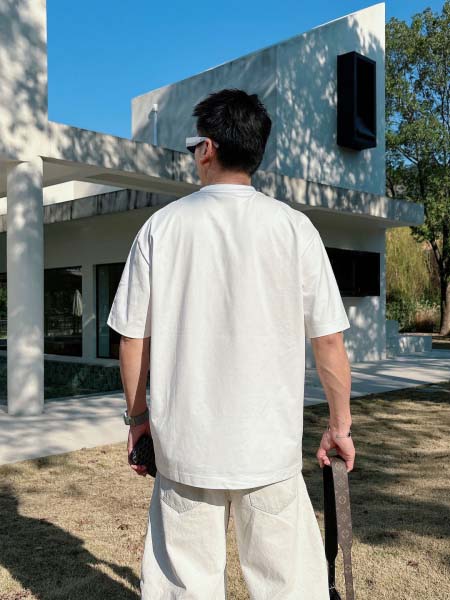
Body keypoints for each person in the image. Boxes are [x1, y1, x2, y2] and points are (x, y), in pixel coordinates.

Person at [107, 88, 356, 599]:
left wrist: (137, 421)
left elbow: (133, 339)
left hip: (186, 449)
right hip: (269, 449)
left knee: (185, 587)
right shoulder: (294, 229)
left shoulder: (161, 229)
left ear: (208, 148)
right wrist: (339, 427)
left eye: (192, 145)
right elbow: (329, 340)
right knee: (288, 587)